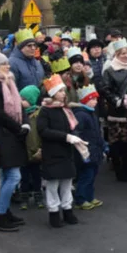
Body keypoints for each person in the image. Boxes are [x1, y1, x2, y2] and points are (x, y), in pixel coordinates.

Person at [0, 51, 29, 231]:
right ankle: (0, 216)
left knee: (9, 175)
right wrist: (17, 128)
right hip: (3, 134)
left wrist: (24, 124)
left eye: (7, 63)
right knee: (13, 176)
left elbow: (19, 105)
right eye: (3, 64)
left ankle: (5, 211)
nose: (8, 67)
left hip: (13, 133)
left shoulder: (9, 82)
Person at [36, 75, 84, 228]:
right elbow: (43, 130)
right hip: (52, 151)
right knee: (52, 184)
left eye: (64, 91)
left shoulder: (65, 109)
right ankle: (54, 212)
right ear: (52, 93)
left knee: (67, 182)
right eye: (61, 91)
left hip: (66, 151)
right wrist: (66, 137)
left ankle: (68, 209)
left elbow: (70, 127)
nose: (64, 94)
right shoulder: (45, 111)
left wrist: (75, 138)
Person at [101, 39, 127, 183]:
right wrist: (117, 100)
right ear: (116, 54)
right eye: (122, 53)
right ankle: (117, 170)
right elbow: (105, 89)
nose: (125, 56)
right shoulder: (109, 70)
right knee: (116, 143)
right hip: (116, 111)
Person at [72, 85, 104, 210]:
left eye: (96, 99)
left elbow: (97, 132)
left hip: (94, 149)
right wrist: (83, 148)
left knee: (92, 175)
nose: (95, 102)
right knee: (86, 175)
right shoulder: (81, 114)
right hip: (85, 151)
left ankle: (90, 197)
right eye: (92, 99)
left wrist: (102, 145)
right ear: (85, 100)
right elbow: (77, 133)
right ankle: (80, 199)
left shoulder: (92, 114)